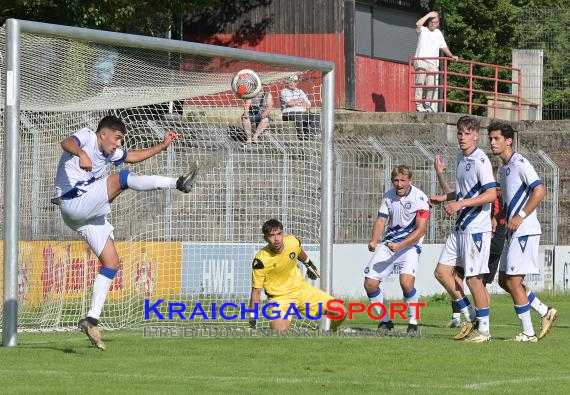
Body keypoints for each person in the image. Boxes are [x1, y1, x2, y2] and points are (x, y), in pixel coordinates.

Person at [52, 115, 199, 350]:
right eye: (117, 138)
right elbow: (66, 143)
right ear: (103, 134)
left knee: (111, 263)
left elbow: (133, 157)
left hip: (85, 214)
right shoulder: (88, 136)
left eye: (121, 140)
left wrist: (162, 145)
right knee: (122, 178)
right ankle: (179, 183)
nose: (119, 144)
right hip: (74, 201)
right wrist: (81, 154)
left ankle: (91, 320)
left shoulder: (111, 153)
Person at [488, 121, 559, 341]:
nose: (492, 142)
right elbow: (510, 200)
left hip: (524, 230)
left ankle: (528, 333)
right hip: (512, 231)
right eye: (491, 138)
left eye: (496, 138)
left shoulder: (520, 163)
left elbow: (540, 190)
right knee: (503, 280)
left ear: (508, 140)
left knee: (513, 282)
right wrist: (498, 217)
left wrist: (521, 215)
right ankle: (544, 311)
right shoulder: (505, 168)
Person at [430, 116, 497, 342]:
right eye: (460, 133)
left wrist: (460, 204)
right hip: (461, 227)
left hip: (476, 228)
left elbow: (491, 194)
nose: (462, 137)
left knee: (474, 279)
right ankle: (470, 316)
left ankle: (485, 331)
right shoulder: (461, 157)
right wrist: (444, 197)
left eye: (467, 133)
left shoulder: (481, 160)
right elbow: (463, 192)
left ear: (476, 136)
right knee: (441, 271)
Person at [434, 154, 506, 328]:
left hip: (485, 235)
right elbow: (456, 194)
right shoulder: (472, 179)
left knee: (475, 281)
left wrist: (497, 218)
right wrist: (440, 176)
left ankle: (483, 327)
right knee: (444, 273)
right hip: (464, 230)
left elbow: (495, 201)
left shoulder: (495, 188)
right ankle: (470, 315)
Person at [248, 219, 347, 331]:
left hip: (303, 291)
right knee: (279, 332)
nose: (276, 239)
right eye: (272, 236)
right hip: (280, 299)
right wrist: (253, 319)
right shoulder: (261, 260)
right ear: (266, 238)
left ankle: (331, 332)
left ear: (283, 233)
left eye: (279, 234)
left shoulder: (293, 242)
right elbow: (256, 292)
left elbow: (298, 251)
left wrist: (309, 264)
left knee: (341, 311)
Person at [365, 166, 430, 334]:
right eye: (396, 180)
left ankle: (413, 323)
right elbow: (381, 220)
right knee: (370, 283)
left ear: (410, 180)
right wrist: (374, 240)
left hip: (410, 245)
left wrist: (401, 246)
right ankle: (385, 322)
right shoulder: (388, 196)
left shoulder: (420, 198)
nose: (399, 184)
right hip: (389, 244)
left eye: (402, 180)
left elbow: (421, 230)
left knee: (406, 283)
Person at [414, 11, 458, 113]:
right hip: (421, 60)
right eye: (431, 22)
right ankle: (419, 105)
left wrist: (451, 55)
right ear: (428, 22)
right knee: (420, 83)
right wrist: (429, 15)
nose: (433, 24)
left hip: (433, 63)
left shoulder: (438, 33)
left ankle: (427, 104)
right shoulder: (423, 30)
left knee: (431, 85)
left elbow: (444, 47)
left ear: (438, 23)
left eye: (436, 22)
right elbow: (417, 24)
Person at [280, 74, 321, 140]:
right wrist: (301, 101)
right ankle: (300, 135)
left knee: (315, 115)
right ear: (287, 82)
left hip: (302, 112)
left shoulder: (300, 91)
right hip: (289, 113)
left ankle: (310, 135)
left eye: (295, 81)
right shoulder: (284, 92)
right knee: (298, 114)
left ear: (297, 82)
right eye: (291, 81)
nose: (292, 83)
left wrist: (297, 102)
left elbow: (308, 104)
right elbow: (289, 103)